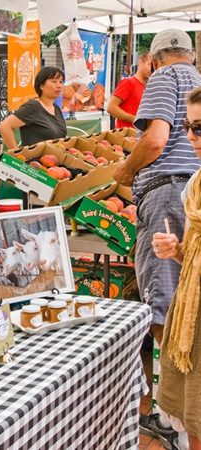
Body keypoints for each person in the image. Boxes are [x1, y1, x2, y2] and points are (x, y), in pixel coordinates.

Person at [113, 29, 201, 448]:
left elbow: (155, 138)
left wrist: (125, 173)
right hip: (190, 192)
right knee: (187, 293)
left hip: (165, 191)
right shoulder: (198, 80)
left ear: (154, 58)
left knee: (165, 305)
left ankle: (173, 416)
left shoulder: (164, 79)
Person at [152, 86, 201, 450]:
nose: (189, 135)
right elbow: (193, 260)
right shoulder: (194, 188)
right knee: (194, 413)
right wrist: (175, 250)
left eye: (198, 128)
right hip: (193, 318)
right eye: (187, 125)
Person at [0, 66, 67, 148]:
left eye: (61, 82)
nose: (59, 85)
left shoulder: (56, 108)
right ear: (41, 86)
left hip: (55, 158)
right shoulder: (32, 107)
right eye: (54, 81)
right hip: (35, 159)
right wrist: (16, 153)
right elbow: (5, 126)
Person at [107, 52, 152, 128]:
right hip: (126, 136)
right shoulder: (128, 82)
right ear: (140, 62)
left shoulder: (148, 88)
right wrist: (134, 120)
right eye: (149, 64)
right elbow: (111, 108)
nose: (151, 69)